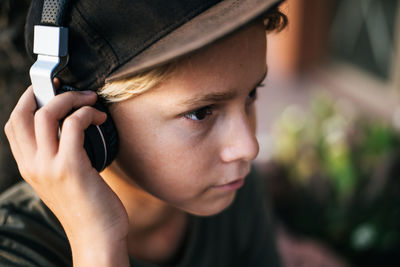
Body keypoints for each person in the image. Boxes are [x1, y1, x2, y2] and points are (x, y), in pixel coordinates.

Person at [1, 0, 287, 266]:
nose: (248, 147)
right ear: (85, 122)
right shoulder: (14, 250)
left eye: (251, 94)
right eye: (200, 112)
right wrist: (97, 243)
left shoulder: (236, 194)